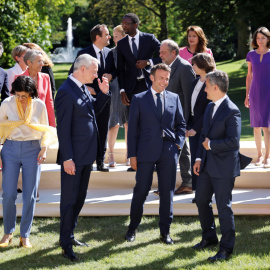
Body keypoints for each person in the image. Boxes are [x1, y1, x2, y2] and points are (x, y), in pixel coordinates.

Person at [55, 54, 111, 261]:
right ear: (83, 69)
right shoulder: (65, 92)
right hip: (74, 158)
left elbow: (93, 112)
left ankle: (69, 235)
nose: (97, 74)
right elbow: (63, 129)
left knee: (79, 198)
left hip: (86, 156)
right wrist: (68, 158)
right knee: (69, 201)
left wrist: (104, 94)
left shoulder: (81, 88)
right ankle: (66, 244)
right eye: (95, 71)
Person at [125, 64, 186, 244]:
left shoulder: (174, 98)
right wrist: (132, 155)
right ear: (152, 77)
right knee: (141, 191)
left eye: (167, 78)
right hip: (145, 152)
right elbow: (133, 130)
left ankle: (165, 232)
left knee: (167, 193)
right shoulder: (139, 98)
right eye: (161, 78)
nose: (165, 82)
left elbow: (181, 125)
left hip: (168, 151)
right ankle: (132, 229)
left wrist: (178, 145)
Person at [0, 76, 57, 248]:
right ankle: (8, 232)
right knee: (9, 193)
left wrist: (44, 149)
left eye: (24, 95)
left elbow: (45, 128)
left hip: (33, 149)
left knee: (30, 195)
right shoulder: (6, 103)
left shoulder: (39, 105)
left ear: (31, 93)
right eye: (18, 95)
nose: (21, 98)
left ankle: (25, 235)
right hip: (10, 148)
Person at [193, 71, 241, 261]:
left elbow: (234, 142)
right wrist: (198, 158)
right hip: (206, 164)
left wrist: (211, 145)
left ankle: (226, 248)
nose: (204, 89)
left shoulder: (233, 110)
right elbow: (204, 133)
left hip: (224, 168)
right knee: (201, 199)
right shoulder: (209, 107)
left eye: (206, 86)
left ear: (215, 87)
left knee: (223, 207)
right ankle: (209, 237)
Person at [117, 13, 161, 171]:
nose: (124, 26)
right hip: (131, 90)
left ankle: (154, 161)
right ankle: (135, 163)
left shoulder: (149, 39)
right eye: (122, 24)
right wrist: (122, 90)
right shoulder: (121, 44)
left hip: (149, 86)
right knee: (134, 124)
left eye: (127, 24)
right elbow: (120, 70)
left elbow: (163, 55)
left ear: (135, 24)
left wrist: (148, 62)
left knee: (151, 123)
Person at [69, 24, 116, 172]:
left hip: (104, 99)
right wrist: (85, 87)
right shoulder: (83, 53)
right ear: (98, 37)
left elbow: (114, 70)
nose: (109, 37)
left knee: (103, 128)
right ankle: (84, 160)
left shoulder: (109, 53)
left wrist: (111, 75)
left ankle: (100, 161)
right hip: (87, 100)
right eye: (107, 34)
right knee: (87, 129)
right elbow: (72, 74)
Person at [155, 39, 195, 196]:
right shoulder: (165, 68)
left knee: (179, 151)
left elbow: (189, 96)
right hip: (166, 118)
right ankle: (185, 183)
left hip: (179, 120)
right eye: (160, 52)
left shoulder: (184, 68)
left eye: (163, 52)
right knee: (175, 151)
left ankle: (187, 183)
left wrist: (184, 123)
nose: (160, 55)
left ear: (174, 52)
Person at [186, 53, 215, 201]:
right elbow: (191, 107)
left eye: (194, 64)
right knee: (195, 161)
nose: (192, 67)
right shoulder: (195, 81)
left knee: (203, 161)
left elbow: (208, 110)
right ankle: (198, 193)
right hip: (192, 127)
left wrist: (196, 128)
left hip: (204, 128)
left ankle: (205, 194)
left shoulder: (212, 83)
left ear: (202, 65)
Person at [245, 27, 270, 168]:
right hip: (255, 92)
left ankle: (267, 157)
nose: (260, 41)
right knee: (256, 126)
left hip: (268, 91)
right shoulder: (251, 55)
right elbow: (249, 76)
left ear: (268, 39)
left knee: (266, 127)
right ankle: (259, 156)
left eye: (263, 38)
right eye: (258, 38)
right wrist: (247, 94)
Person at [15, 50, 55, 127]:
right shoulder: (18, 78)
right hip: (23, 124)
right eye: (39, 61)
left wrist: (52, 125)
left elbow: (49, 102)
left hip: (41, 122)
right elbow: (15, 103)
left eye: (42, 61)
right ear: (29, 62)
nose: (42, 64)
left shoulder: (45, 77)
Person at [107, 25, 128, 167]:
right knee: (113, 123)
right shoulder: (110, 53)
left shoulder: (132, 53)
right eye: (113, 36)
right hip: (114, 89)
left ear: (124, 36)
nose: (113, 39)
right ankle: (110, 154)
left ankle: (129, 155)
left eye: (116, 36)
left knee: (129, 123)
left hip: (129, 90)